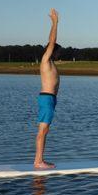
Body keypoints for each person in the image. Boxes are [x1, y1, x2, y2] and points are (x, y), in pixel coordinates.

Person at [34, 9, 61, 169]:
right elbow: (52, 41)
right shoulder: (45, 59)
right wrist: (55, 22)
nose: (59, 54)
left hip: (49, 99)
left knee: (44, 131)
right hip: (47, 99)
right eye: (58, 51)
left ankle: (39, 160)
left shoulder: (51, 63)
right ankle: (38, 161)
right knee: (43, 131)